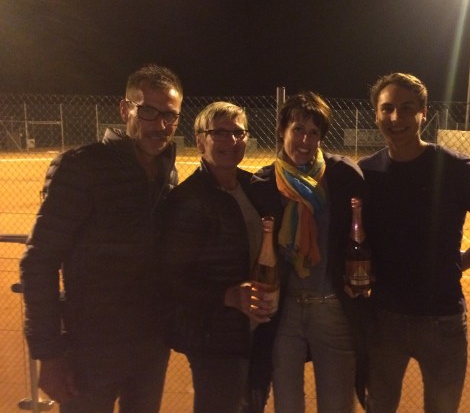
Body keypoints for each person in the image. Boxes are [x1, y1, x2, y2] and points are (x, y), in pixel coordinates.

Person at [19, 63, 183, 412]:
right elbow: (39, 261)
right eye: (148, 111)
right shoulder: (81, 166)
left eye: (170, 115)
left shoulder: (168, 173)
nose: (160, 125)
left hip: (150, 343)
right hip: (91, 346)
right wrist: (49, 352)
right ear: (125, 110)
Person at [359, 72, 470, 412]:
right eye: (387, 108)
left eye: (407, 108)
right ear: (376, 113)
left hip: (442, 320)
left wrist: (459, 264)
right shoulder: (366, 172)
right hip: (383, 319)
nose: (396, 117)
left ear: (423, 113)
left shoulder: (455, 168)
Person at [251, 92, 368, 413]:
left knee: (338, 405)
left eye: (314, 132)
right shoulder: (263, 183)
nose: (305, 140)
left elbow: (367, 235)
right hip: (284, 311)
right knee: (287, 404)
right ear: (281, 131)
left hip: (332, 309)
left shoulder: (343, 176)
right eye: (298, 129)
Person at [159, 102, 277, 413]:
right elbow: (171, 279)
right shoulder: (187, 199)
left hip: (255, 328)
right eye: (220, 133)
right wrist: (227, 296)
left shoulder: (253, 187)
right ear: (200, 141)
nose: (231, 141)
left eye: (238, 133)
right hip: (214, 335)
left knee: (253, 406)